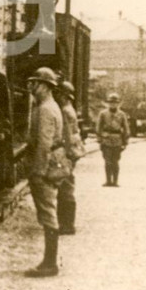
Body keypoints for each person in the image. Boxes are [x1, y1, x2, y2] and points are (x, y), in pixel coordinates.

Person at [24, 67, 66, 277]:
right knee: (48, 210)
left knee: (48, 211)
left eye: (36, 83)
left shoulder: (46, 109)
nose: (32, 87)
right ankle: (49, 261)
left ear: (46, 87)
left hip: (47, 165)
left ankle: (50, 263)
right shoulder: (48, 106)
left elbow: (44, 144)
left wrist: (38, 171)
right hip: (52, 162)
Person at [55, 80, 86, 235]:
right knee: (66, 186)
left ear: (63, 95)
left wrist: (65, 154)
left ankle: (67, 224)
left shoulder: (64, 111)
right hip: (74, 150)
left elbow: (66, 134)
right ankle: (66, 223)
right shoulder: (70, 109)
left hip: (69, 151)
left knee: (65, 188)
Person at [98, 92, 130, 186]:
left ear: (118, 103)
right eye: (111, 102)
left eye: (115, 102)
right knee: (107, 161)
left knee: (115, 161)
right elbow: (98, 127)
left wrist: (125, 141)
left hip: (117, 140)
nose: (113, 104)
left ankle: (115, 181)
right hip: (106, 139)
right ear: (108, 103)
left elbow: (126, 128)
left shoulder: (122, 114)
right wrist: (100, 138)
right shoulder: (103, 114)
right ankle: (108, 181)